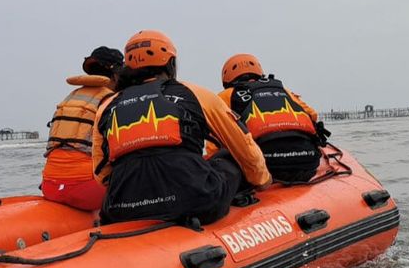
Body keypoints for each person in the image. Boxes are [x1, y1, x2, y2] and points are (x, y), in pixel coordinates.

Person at [92, 30, 271, 225]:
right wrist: (262, 180)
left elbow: (101, 172)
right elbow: (244, 146)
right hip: (196, 201)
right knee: (226, 156)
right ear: (170, 63)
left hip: (122, 209)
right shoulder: (196, 93)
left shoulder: (107, 106)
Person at [218, 54, 329, 183]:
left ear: (227, 78)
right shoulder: (283, 90)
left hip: (265, 168)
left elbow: (215, 138)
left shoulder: (225, 96)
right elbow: (313, 115)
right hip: (308, 164)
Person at [41, 46, 121, 211]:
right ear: (116, 74)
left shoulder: (71, 98)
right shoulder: (111, 100)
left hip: (50, 187)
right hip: (87, 191)